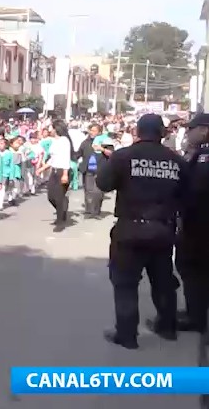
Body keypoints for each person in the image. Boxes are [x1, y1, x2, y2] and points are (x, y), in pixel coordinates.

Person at [95, 113, 188, 350]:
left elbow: (103, 184)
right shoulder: (175, 160)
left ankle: (127, 335)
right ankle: (167, 328)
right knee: (163, 281)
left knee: (125, 283)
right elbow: (188, 194)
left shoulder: (124, 156)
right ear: (162, 133)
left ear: (137, 131)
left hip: (130, 229)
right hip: (163, 230)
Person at [175, 113, 209, 333]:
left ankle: (196, 317)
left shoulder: (205, 156)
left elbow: (196, 190)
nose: (188, 133)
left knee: (193, 268)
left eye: (192, 129)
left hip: (199, 225)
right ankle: (195, 311)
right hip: (196, 223)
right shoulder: (198, 154)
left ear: (205, 129)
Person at [37, 120, 72, 231]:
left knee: (59, 197)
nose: (50, 130)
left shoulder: (64, 141)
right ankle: (62, 210)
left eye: (51, 128)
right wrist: (42, 168)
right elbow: (53, 158)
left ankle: (60, 222)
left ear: (56, 129)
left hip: (63, 171)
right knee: (51, 197)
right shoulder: (54, 141)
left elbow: (66, 157)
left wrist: (65, 174)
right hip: (54, 171)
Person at [77, 123, 109, 218]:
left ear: (99, 132)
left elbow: (111, 153)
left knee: (98, 191)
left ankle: (96, 209)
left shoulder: (105, 141)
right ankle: (89, 210)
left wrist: (102, 149)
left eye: (94, 130)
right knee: (88, 190)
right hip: (88, 170)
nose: (92, 132)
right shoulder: (85, 142)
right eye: (91, 130)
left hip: (101, 169)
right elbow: (78, 154)